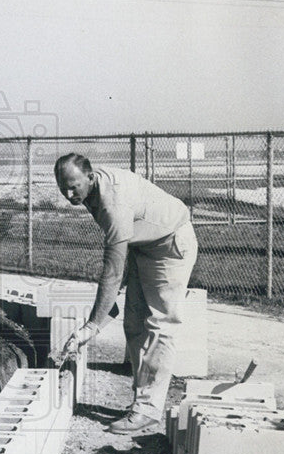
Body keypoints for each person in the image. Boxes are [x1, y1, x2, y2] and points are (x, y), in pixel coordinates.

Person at [57, 152, 198, 435]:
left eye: (75, 186)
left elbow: (111, 271)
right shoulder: (91, 190)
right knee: (134, 324)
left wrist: (91, 327)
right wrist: (105, 312)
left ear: (90, 176)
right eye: (64, 187)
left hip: (169, 246)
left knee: (161, 326)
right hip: (143, 246)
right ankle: (141, 399)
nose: (70, 193)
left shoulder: (113, 203)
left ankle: (147, 411)